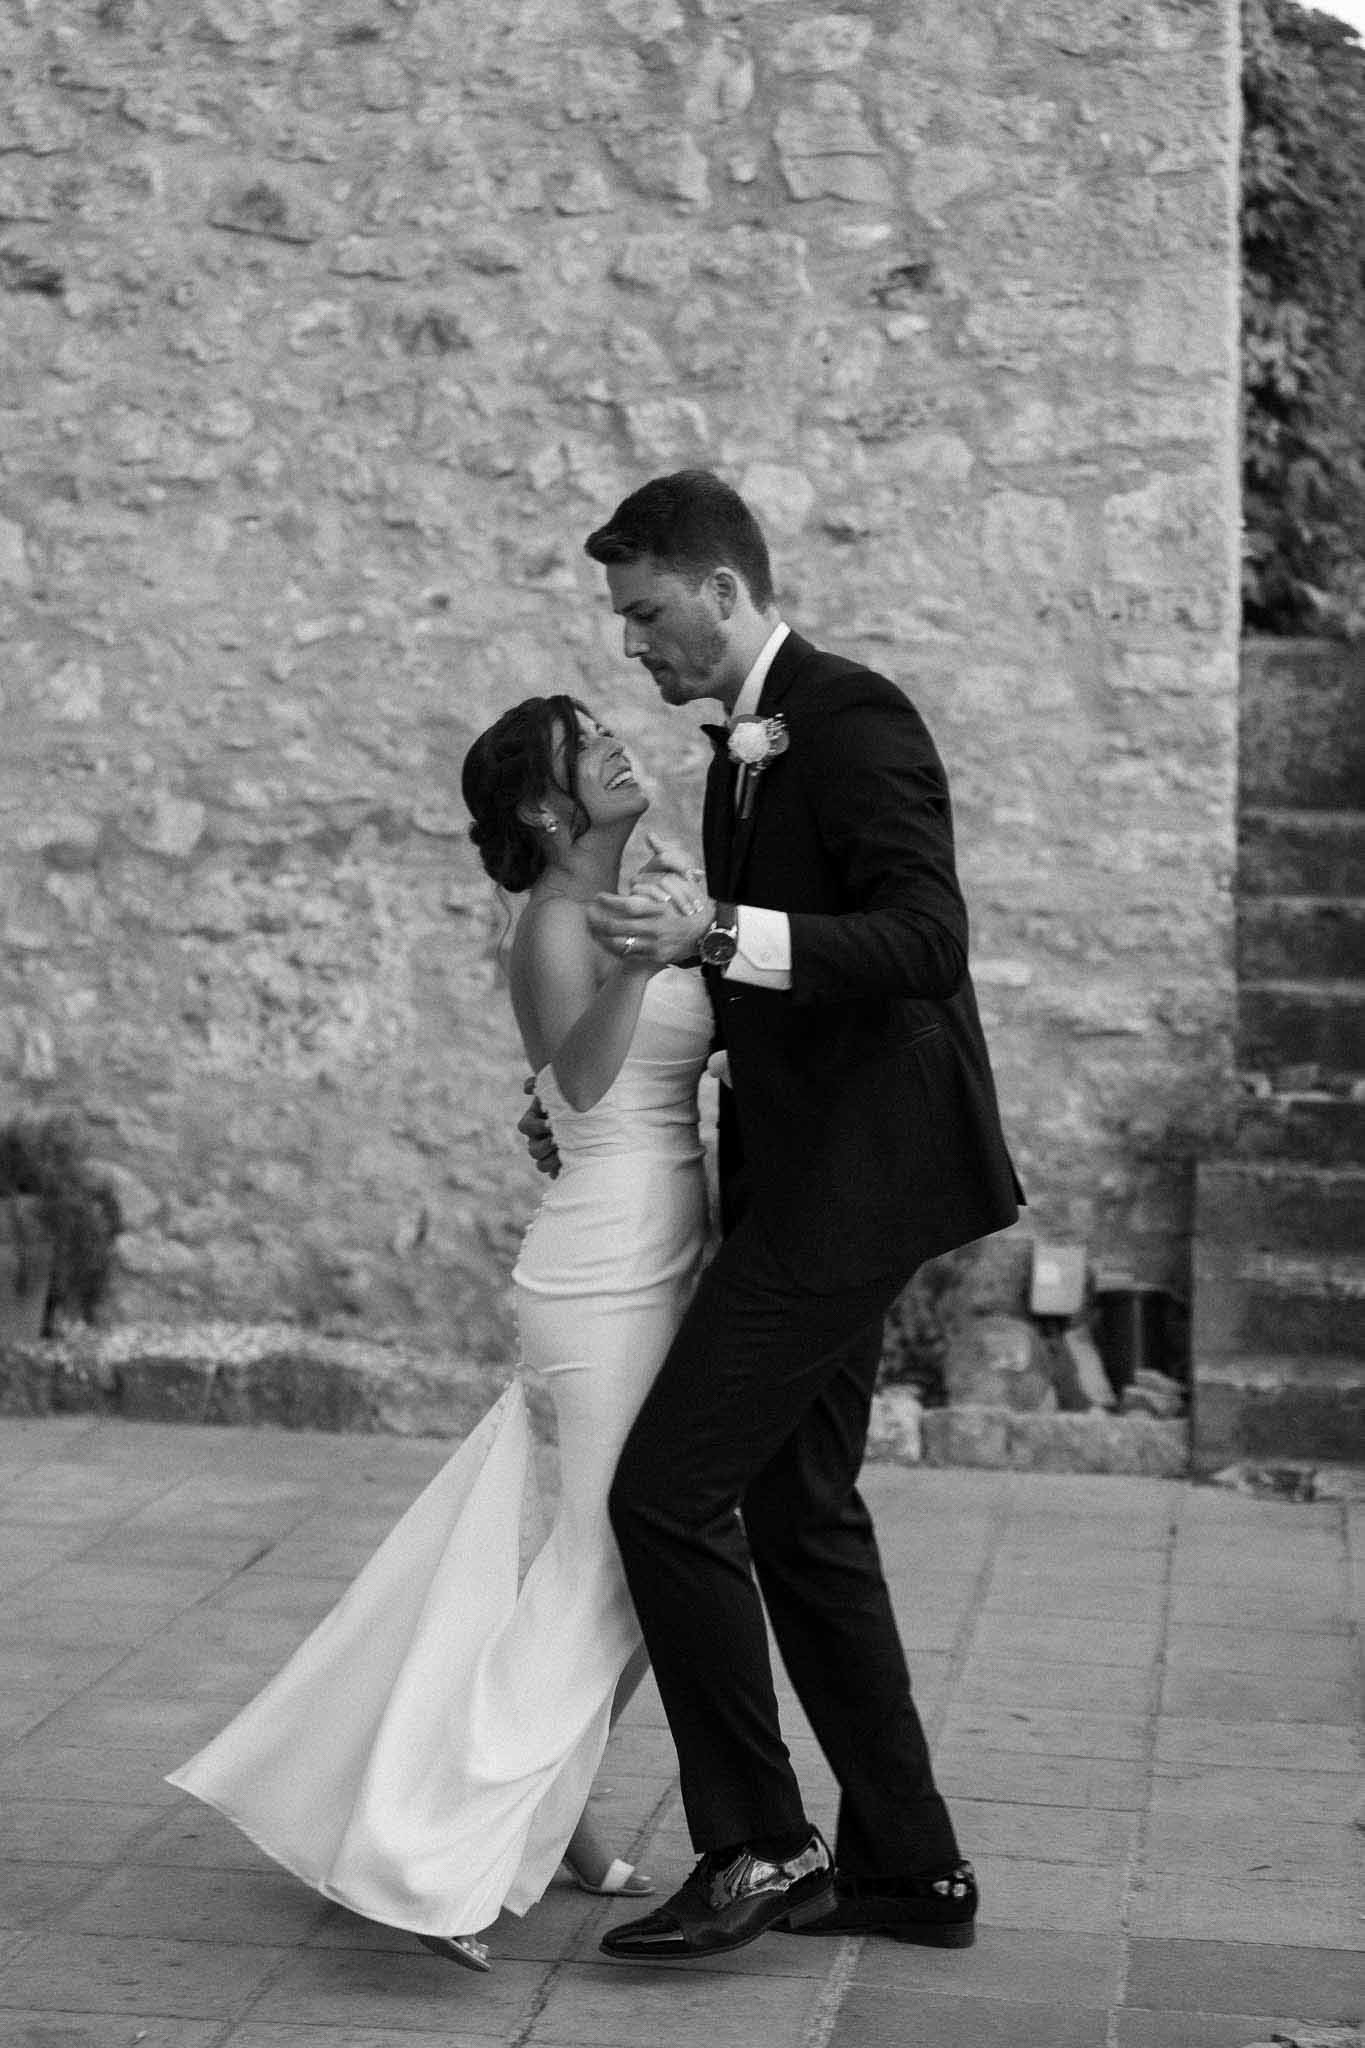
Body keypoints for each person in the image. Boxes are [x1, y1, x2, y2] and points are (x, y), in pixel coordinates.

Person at [168, 693, 718, 1972]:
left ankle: (562, 1814)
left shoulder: (641, 900)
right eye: (588, 748)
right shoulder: (555, 924)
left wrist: (690, 942)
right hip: (602, 1269)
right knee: (610, 1564)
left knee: (587, 1559)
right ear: (545, 806)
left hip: (661, 1245)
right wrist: (648, 962)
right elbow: (575, 1083)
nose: (618, 746)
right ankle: (428, 1853)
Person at [556, 468, 1023, 1961]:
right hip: (806, 1175)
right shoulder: (740, 750)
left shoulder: (851, 716)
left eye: (645, 615)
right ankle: (910, 1869)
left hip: (857, 1179)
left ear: (723, 589)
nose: (633, 647)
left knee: (665, 1490)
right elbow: (764, 972)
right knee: (797, 1510)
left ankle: (755, 1845)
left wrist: (724, 931)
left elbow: (922, 939)